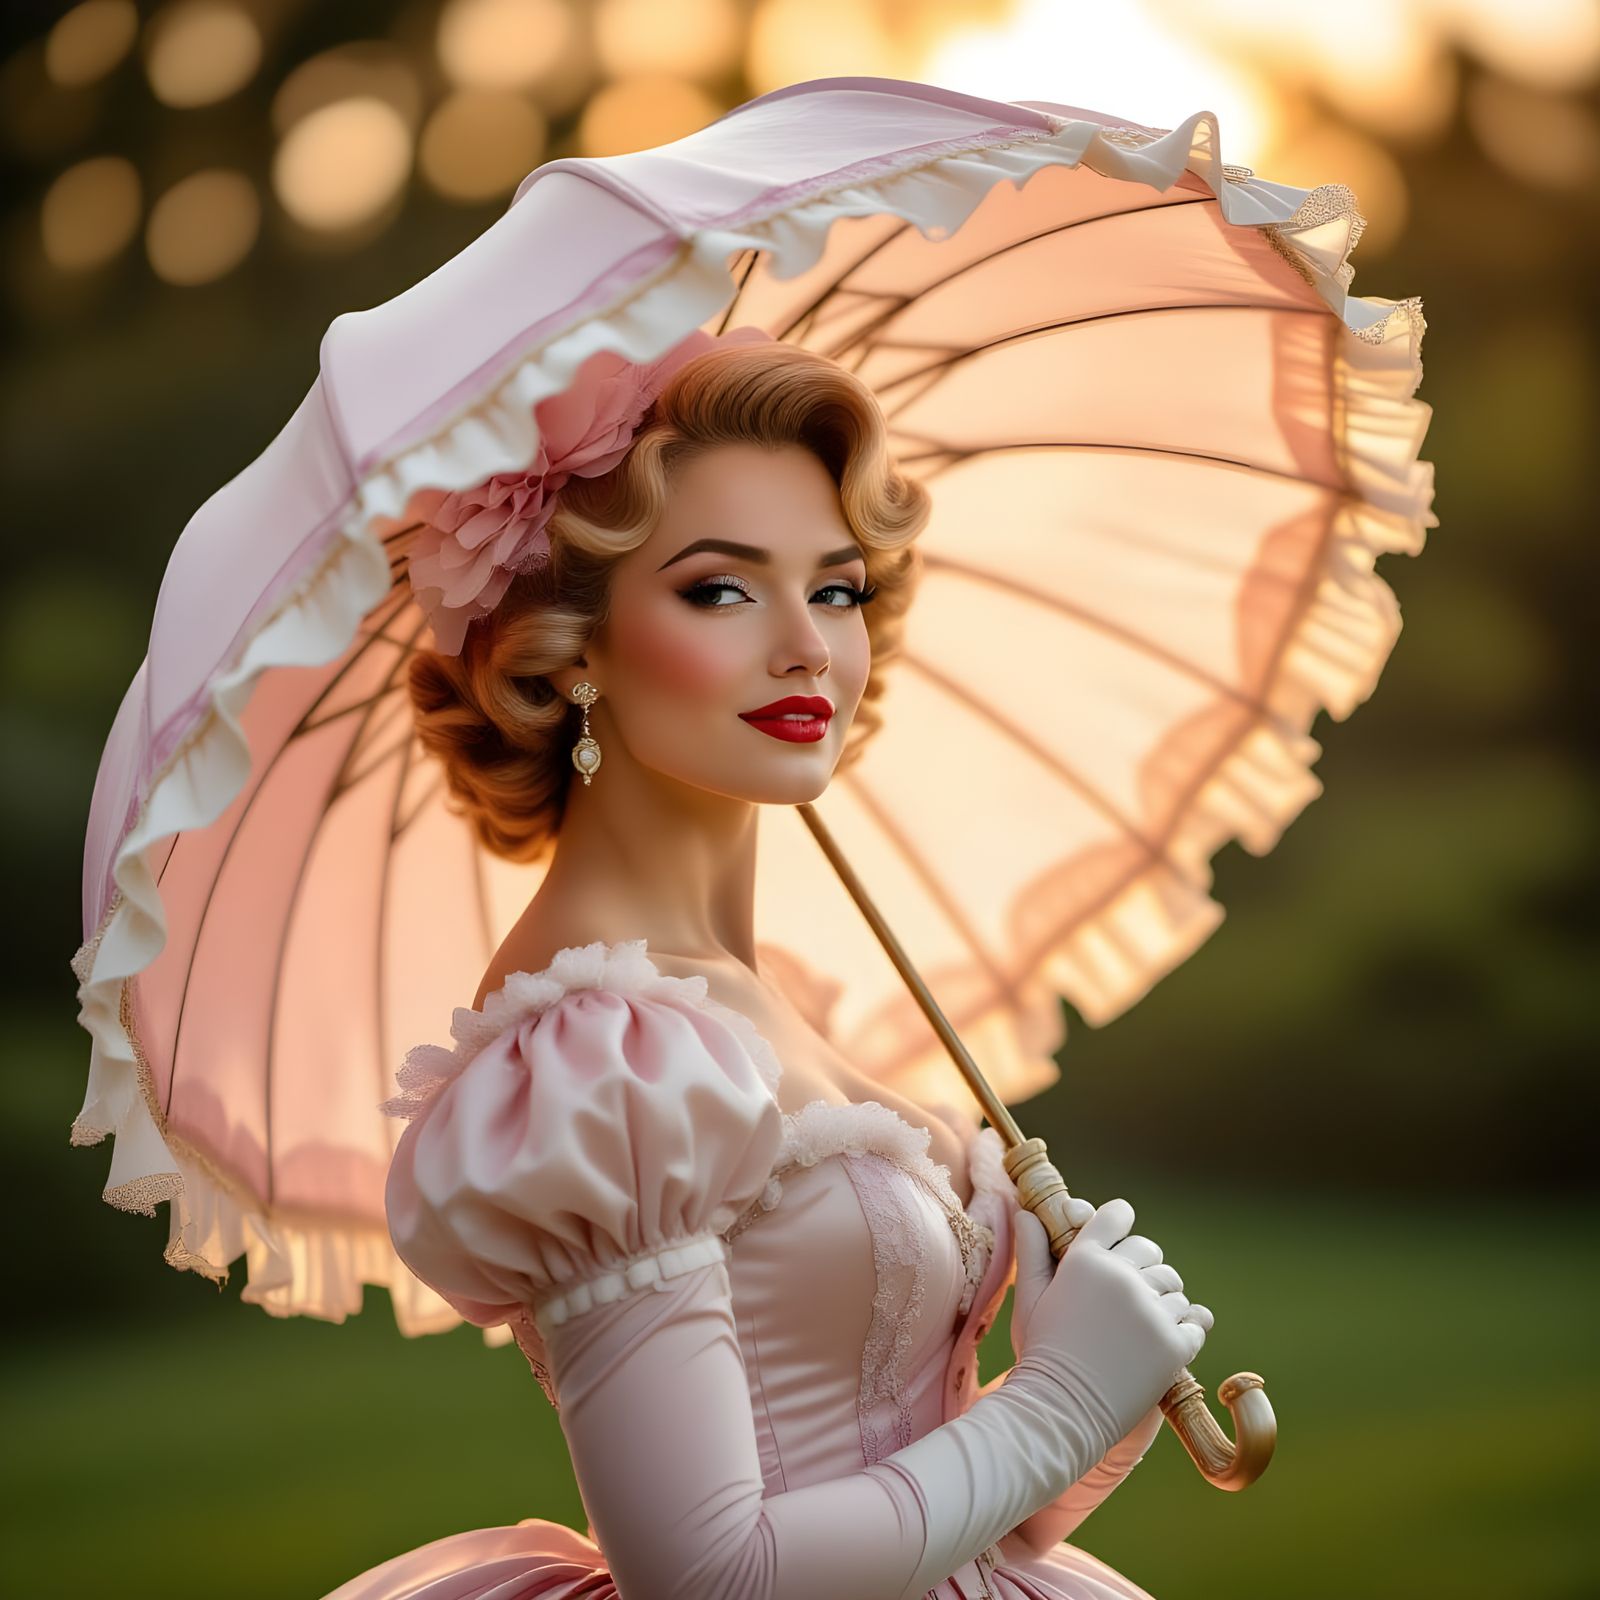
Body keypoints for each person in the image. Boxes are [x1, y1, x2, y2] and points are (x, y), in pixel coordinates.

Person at [326, 336, 1213, 1600]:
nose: (806, 646)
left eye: (837, 589)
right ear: (571, 644)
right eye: (721, 592)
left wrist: (1096, 1397)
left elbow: (954, 1530)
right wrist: (1061, 1405)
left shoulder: (755, 994)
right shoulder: (597, 1059)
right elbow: (710, 1579)